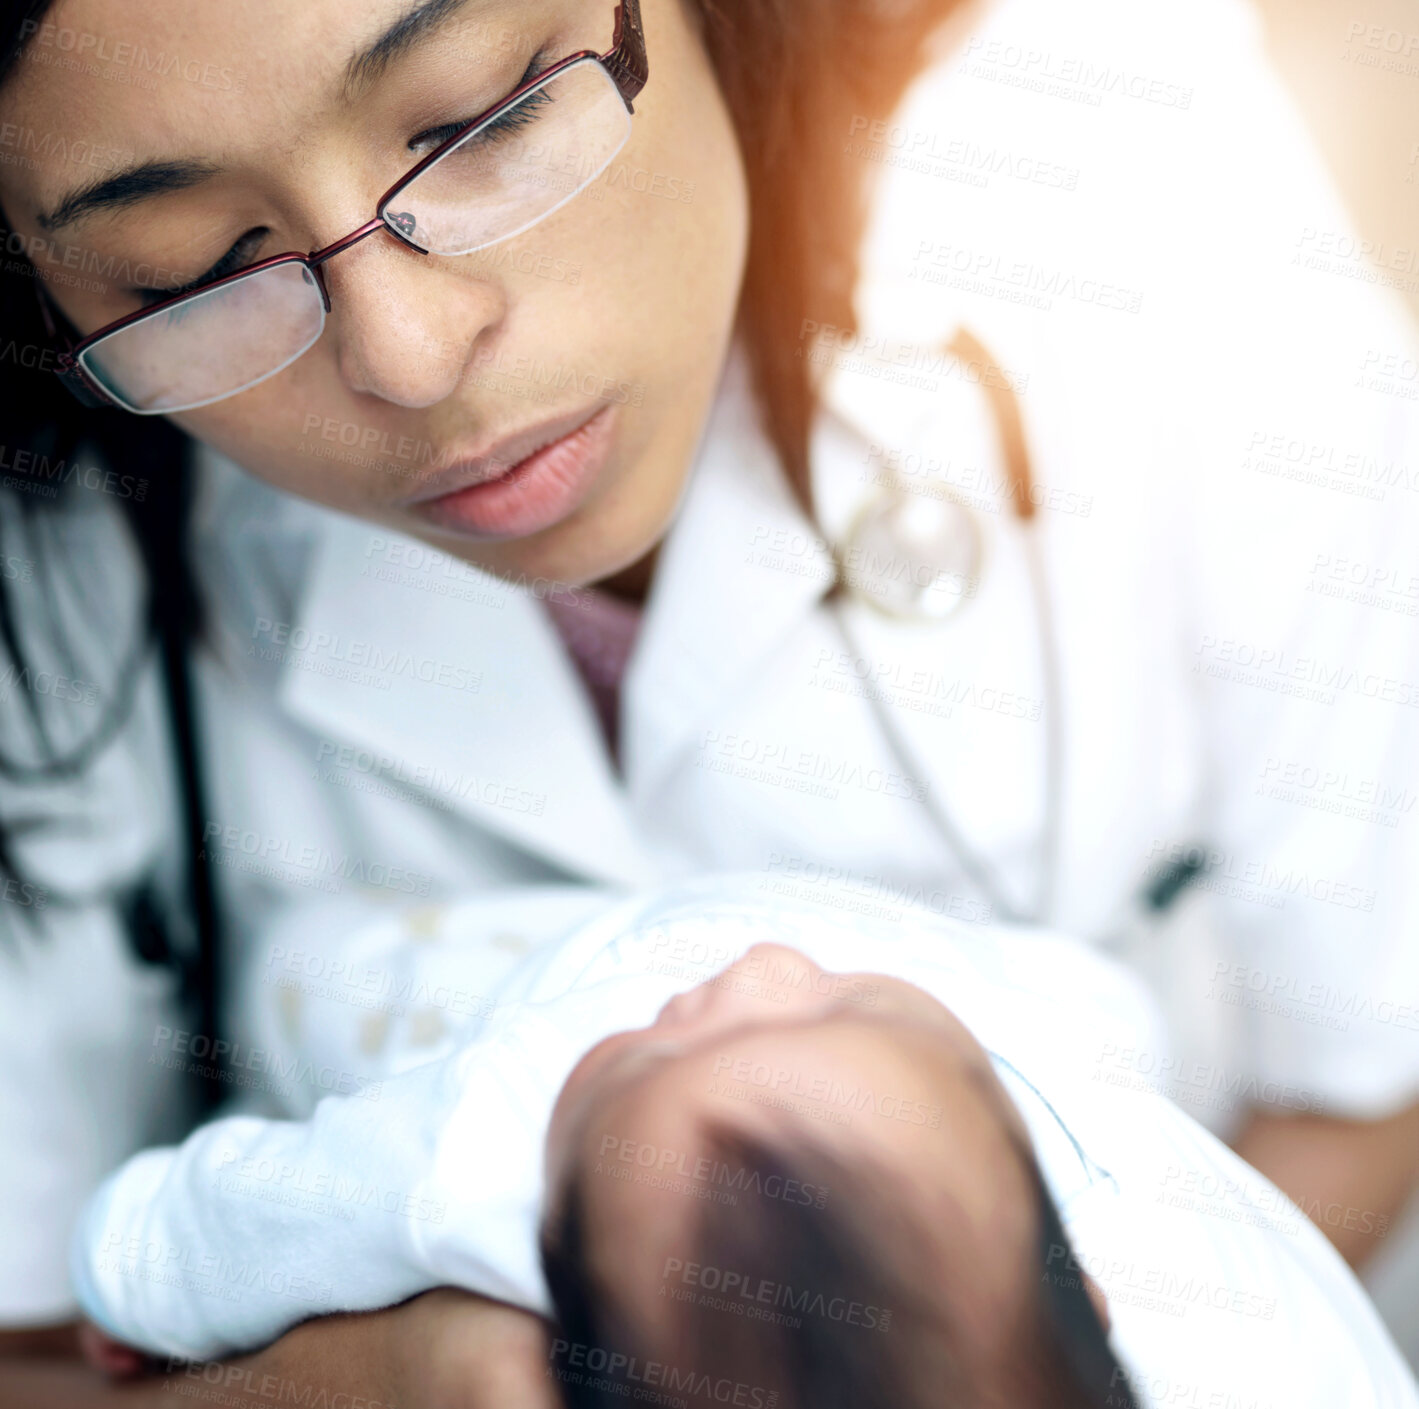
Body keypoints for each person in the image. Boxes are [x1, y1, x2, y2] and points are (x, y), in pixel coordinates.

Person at [1, 0, 1417, 1397]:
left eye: (481, 120)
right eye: (187, 270)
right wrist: (389, 1383)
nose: (411, 354)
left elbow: (1370, 1081)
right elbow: (37, 1332)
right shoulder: (62, 539)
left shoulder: (1138, 171)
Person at [69, 878, 1419, 1407]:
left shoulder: (495, 1136)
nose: (766, 966)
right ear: (1090, 1285)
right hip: (1030, 991)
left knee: (309, 966)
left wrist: (134, 1269)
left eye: (652, 1057)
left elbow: (285, 1206)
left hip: (549, 948)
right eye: (838, 1006)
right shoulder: (1282, 1366)